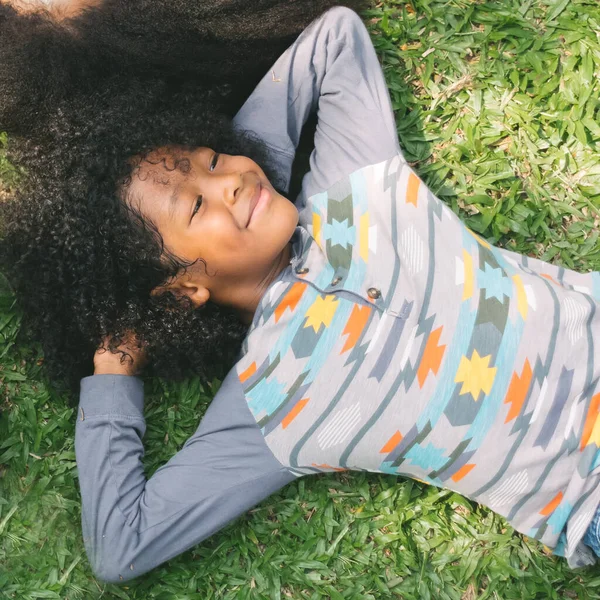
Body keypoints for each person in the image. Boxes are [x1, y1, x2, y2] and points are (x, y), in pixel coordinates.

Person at [3, 6, 600, 584]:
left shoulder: (354, 181)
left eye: (210, 158)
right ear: (183, 288)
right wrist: (115, 371)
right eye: (195, 205)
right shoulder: (270, 403)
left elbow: (335, 35)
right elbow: (120, 546)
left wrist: (259, 164)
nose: (227, 180)